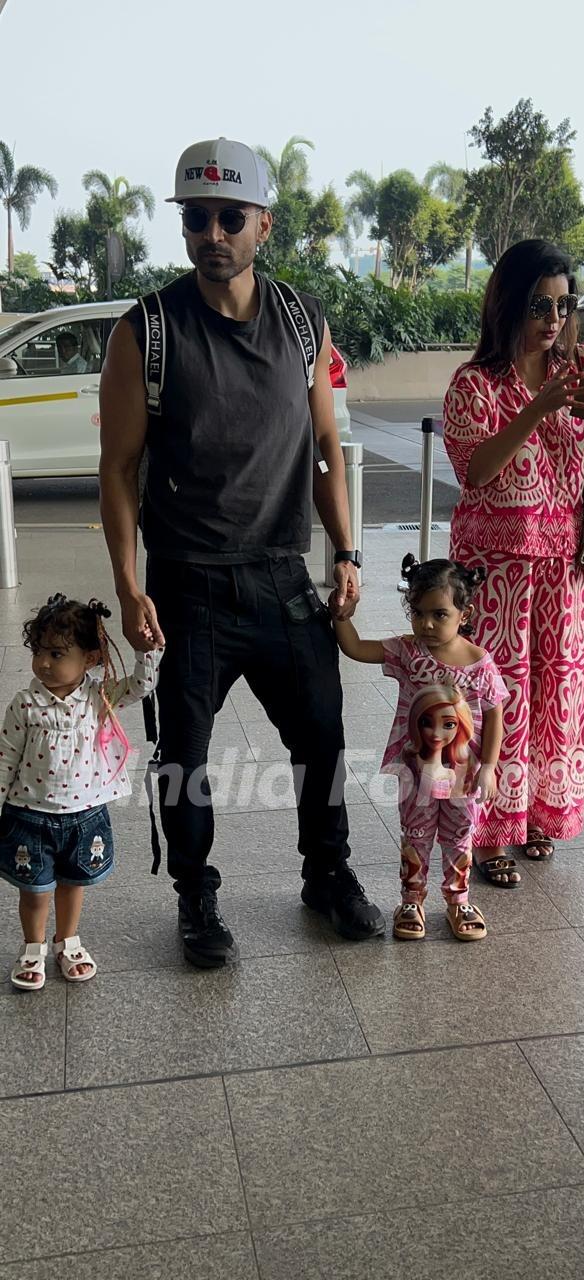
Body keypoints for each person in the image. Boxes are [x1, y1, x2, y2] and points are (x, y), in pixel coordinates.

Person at [98, 138, 384, 968]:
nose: (212, 234)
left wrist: (349, 552)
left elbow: (327, 449)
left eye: (230, 217)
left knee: (323, 738)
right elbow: (116, 470)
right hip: (186, 588)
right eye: (196, 219)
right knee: (183, 758)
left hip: (282, 578)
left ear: (265, 222)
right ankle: (196, 896)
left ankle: (327, 875)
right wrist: (126, 582)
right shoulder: (145, 333)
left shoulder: (302, 322)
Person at [443, 239, 584, 887]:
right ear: (509, 302)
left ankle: (537, 816)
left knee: (554, 700)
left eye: (565, 306)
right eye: (540, 304)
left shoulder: (583, 372)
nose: (553, 319)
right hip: (496, 575)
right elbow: (475, 470)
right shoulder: (475, 384)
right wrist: (536, 409)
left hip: (564, 574)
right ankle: (485, 838)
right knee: (494, 702)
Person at [331, 555, 508, 940]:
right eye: (418, 612)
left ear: (465, 614)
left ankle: (458, 900)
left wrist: (490, 766)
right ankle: (411, 899)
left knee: (460, 835)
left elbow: (495, 716)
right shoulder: (409, 653)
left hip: (465, 773)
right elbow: (357, 649)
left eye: (439, 614)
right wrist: (342, 616)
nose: (426, 624)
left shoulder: (480, 664)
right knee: (416, 834)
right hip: (416, 772)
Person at [0, 594, 161, 990]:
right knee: (35, 889)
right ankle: (33, 946)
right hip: (29, 815)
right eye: (39, 651)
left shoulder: (99, 696)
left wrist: (147, 650)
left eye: (57, 653)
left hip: (84, 813)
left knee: (73, 883)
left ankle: (67, 941)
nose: (43, 663)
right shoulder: (25, 704)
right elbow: (5, 757)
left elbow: (143, 685)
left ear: (90, 659)